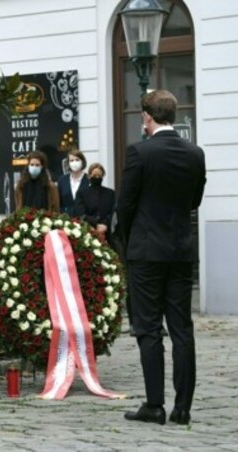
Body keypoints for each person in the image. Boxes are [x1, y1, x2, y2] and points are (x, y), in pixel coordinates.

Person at [119, 89, 206, 426]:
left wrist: (129, 239)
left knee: (148, 328)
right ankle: (182, 408)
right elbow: (194, 199)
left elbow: (126, 203)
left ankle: (154, 404)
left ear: (147, 117)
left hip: (146, 250)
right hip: (181, 249)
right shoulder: (195, 153)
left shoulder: (140, 152)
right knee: (182, 327)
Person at [73, 163, 115, 247]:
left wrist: (105, 224)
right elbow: (80, 213)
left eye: (99, 175)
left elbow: (113, 212)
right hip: (87, 232)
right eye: (94, 175)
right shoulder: (82, 193)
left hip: (107, 234)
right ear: (89, 176)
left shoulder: (110, 193)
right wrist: (96, 224)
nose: (97, 178)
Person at [57, 148, 89, 214]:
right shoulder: (62, 180)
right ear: (68, 163)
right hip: (66, 219)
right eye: (71, 160)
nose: (74, 162)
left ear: (82, 161)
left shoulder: (89, 179)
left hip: (85, 219)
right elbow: (59, 202)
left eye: (77, 160)